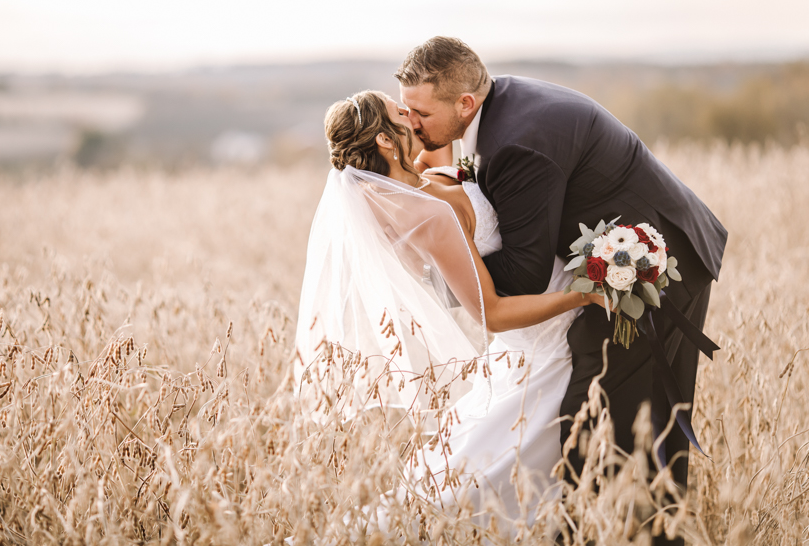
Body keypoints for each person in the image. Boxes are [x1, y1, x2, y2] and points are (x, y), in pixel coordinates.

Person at [396, 37, 727, 545]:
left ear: (464, 103)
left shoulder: (514, 143)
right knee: (636, 417)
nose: (411, 122)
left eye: (420, 112)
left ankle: (613, 533)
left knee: (603, 418)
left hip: (646, 269)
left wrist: (447, 269)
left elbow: (523, 274)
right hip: (634, 257)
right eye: (405, 110)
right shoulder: (498, 108)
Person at [296, 90, 605, 536]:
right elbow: (492, 314)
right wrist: (584, 295)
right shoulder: (425, 213)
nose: (412, 117)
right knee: (482, 481)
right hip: (541, 331)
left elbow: (440, 135)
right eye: (400, 112)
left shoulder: (417, 175)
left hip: (538, 314)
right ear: (385, 141)